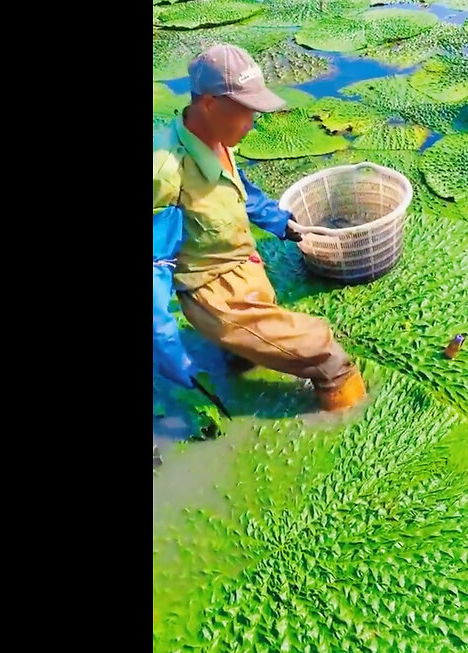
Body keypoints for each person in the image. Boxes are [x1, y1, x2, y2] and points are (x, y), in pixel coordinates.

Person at [153, 43, 366, 411]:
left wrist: (282, 223)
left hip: (244, 268)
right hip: (215, 295)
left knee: (249, 356)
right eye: (245, 112)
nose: (252, 124)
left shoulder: (217, 138)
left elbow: (241, 191)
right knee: (324, 354)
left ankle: (238, 362)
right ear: (208, 103)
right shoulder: (167, 173)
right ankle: (351, 417)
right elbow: (156, 271)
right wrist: (170, 354)